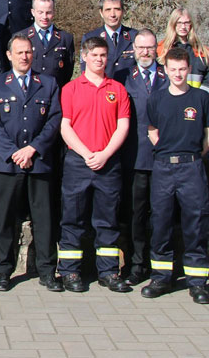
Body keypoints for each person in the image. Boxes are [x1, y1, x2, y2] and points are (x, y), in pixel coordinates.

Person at [141, 47, 209, 304]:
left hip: (192, 167)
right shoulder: (157, 98)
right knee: (161, 222)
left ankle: (197, 282)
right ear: (165, 70)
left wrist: (193, 154)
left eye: (182, 69)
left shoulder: (201, 99)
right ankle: (161, 277)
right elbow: (152, 130)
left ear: (189, 70)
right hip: (163, 167)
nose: (177, 74)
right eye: (172, 69)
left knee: (195, 223)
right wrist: (166, 151)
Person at [0, 32, 63, 292]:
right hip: (7, 164)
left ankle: (46, 271)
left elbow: (54, 121)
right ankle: (3, 271)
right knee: (5, 220)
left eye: (28, 52)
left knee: (44, 219)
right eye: (19, 52)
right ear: (9, 55)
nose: (24, 56)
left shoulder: (48, 83)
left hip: (39, 162)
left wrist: (32, 149)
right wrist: (14, 153)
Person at [58, 36, 131, 293]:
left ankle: (109, 272)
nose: (100, 59)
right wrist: (87, 153)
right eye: (95, 55)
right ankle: (69, 272)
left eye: (103, 55)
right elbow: (65, 126)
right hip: (78, 162)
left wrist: (105, 154)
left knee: (107, 220)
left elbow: (123, 125)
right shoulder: (70, 89)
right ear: (84, 57)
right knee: (72, 219)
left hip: (108, 164)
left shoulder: (118, 89)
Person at [113, 29, 165, 287]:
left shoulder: (170, 76)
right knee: (135, 215)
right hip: (134, 157)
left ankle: (161, 268)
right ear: (132, 49)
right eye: (141, 48)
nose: (145, 52)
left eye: (150, 48)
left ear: (157, 49)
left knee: (162, 216)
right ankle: (137, 265)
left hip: (164, 159)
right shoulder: (123, 77)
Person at [157, 8, 209, 96]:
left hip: (195, 104)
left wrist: (199, 99)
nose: (183, 27)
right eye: (179, 23)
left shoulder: (202, 52)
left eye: (186, 23)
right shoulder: (161, 49)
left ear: (191, 24)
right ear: (173, 24)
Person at [18, 0, 74, 87]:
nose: (44, 17)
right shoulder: (21, 37)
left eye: (48, 12)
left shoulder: (65, 38)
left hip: (56, 94)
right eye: (40, 12)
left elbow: (68, 72)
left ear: (54, 12)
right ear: (33, 12)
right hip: (30, 93)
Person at [80, 0, 136, 77]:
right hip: (103, 88)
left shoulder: (135, 36)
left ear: (123, 11)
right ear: (101, 12)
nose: (112, 14)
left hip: (129, 89)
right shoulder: (90, 38)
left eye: (117, 9)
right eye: (108, 10)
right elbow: (85, 71)